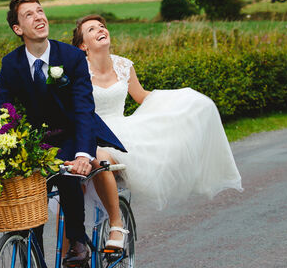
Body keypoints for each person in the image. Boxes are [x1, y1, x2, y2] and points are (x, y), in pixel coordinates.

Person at [72, 14, 243, 250]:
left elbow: (141, 96)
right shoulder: (77, 69)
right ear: (83, 44)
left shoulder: (124, 65)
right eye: (92, 29)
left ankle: (116, 225)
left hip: (121, 132)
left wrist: (181, 101)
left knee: (100, 158)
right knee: (72, 193)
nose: (101, 29)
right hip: (90, 131)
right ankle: (72, 250)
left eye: (102, 26)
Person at [0, 0, 125, 266]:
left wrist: (83, 155)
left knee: (66, 172)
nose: (39, 17)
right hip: (34, 141)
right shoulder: (11, 63)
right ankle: (32, 252)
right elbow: (1, 110)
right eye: (29, 15)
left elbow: (84, 109)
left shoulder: (72, 57)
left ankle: (78, 242)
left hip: (70, 133)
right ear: (18, 29)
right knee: (27, 203)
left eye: (40, 11)